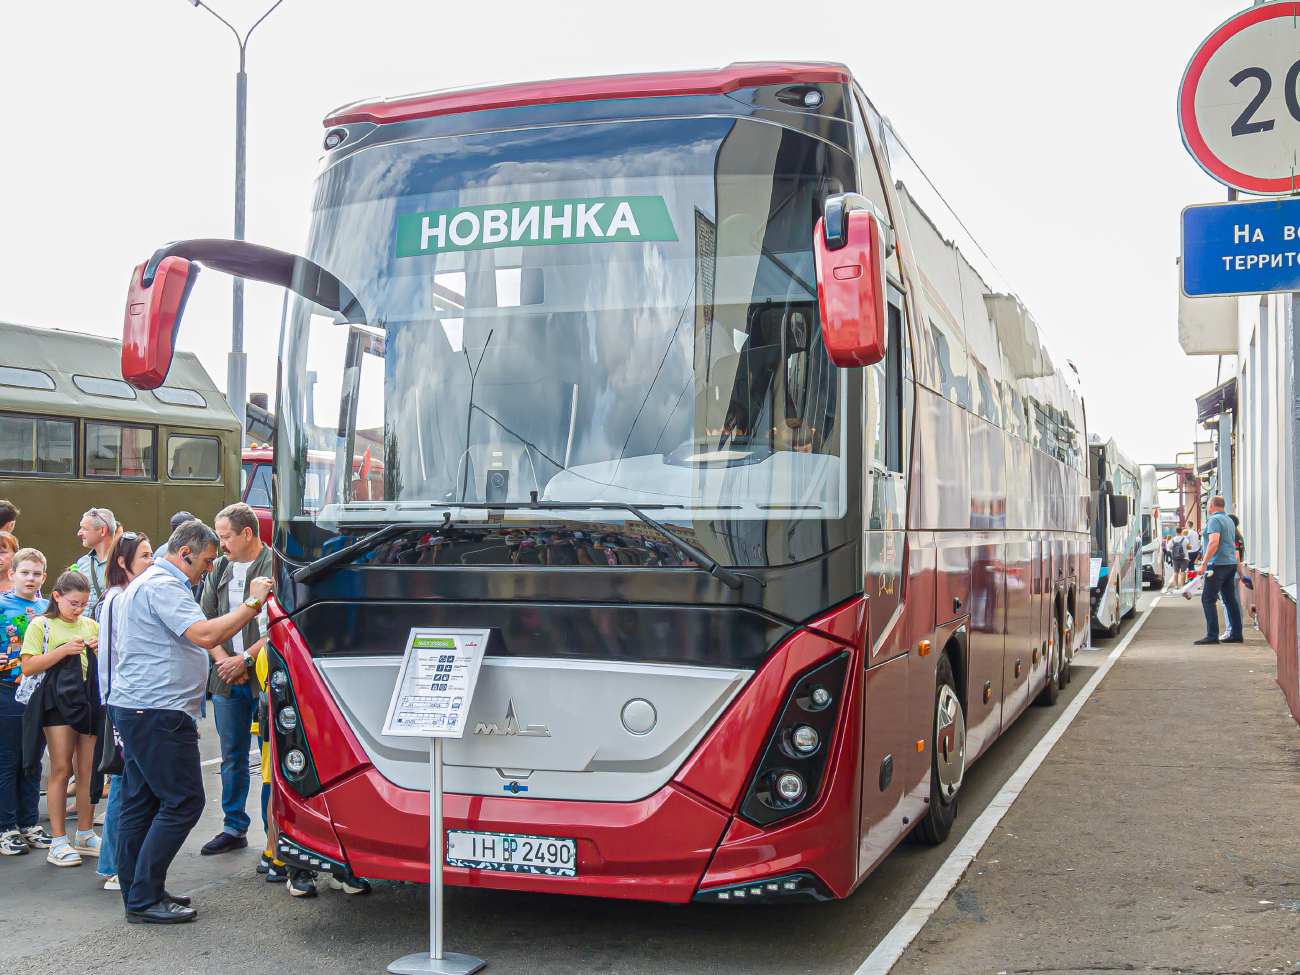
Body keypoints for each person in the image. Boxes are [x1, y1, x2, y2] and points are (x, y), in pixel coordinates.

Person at [108, 520, 273, 924]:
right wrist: (252, 604)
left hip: (141, 707)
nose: (207, 568)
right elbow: (203, 633)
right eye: (205, 560)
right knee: (184, 801)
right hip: (157, 711)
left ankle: (139, 892)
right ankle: (144, 895)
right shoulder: (162, 585)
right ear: (184, 553)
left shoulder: (150, 583)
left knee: (141, 802)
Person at [198, 503, 272, 856]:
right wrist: (224, 662)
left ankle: (273, 835)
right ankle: (233, 826)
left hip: (261, 676)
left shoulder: (274, 565)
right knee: (232, 755)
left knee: (270, 757)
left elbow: (279, 626)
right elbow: (204, 621)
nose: (220, 543)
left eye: (226, 536)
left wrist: (244, 658)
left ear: (247, 533)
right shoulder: (220, 567)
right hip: (226, 677)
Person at [19, 570, 100, 867]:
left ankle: (85, 833)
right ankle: (58, 839)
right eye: (73, 603)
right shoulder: (42, 624)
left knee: (88, 770)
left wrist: (99, 649)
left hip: (88, 700)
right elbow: (28, 667)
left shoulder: (91, 624)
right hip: (55, 703)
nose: (78, 609)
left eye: (83, 604)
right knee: (61, 768)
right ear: (57, 596)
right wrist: (64, 650)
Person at [94, 532, 153, 891]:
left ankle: (117, 863)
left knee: (127, 783)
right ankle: (114, 864)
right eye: (144, 555)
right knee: (123, 784)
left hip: (123, 701)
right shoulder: (118, 599)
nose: (150, 561)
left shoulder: (127, 595)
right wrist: (115, 705)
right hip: (122, 703)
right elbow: (113, 659)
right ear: (122, 562)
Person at [0, 548, 52, 856]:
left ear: (43, 578)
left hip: (40, 695)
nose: (30, 578)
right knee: (8, 760)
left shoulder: (48, 608)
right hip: (8, 691)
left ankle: (29, 822)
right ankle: (6, 827)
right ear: (12, 575)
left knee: (32, 760)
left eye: (36, 574)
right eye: (24, 573)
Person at [1195, 496, 1244, 645]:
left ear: (1210, 505)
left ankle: (1212, 635)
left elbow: (1213, 542)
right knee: (1230, 600)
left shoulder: (1214, 520)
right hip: (1230, 564)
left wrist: (1204, 563)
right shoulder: (1229, 520)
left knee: (1208, 599)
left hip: (1217, 564)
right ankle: (1236, 634)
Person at [74, 508, 117, 617]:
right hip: (84, 630)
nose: (79, 533)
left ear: (103, 530)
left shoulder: (122, 562)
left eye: (84, 529)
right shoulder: (82, 562)